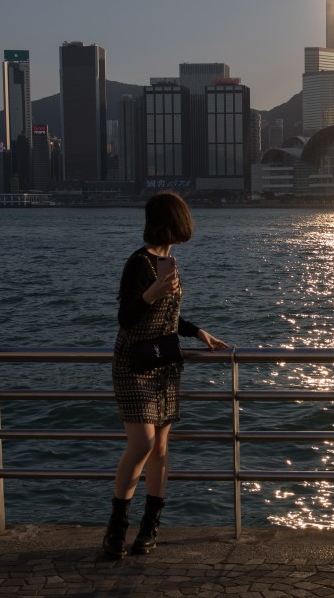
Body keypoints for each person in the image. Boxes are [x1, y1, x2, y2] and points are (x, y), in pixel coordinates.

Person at [101, 191, 228, 559]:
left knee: (159, 447)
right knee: (140, 443)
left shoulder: (167, 261)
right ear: (172, 222)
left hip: (164, 364)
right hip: (134, 366)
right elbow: (126, 317)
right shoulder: (138, 263)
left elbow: (169, 316)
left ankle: (149, 529)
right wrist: (154, 290)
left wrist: (197, 331)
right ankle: (116, 528)